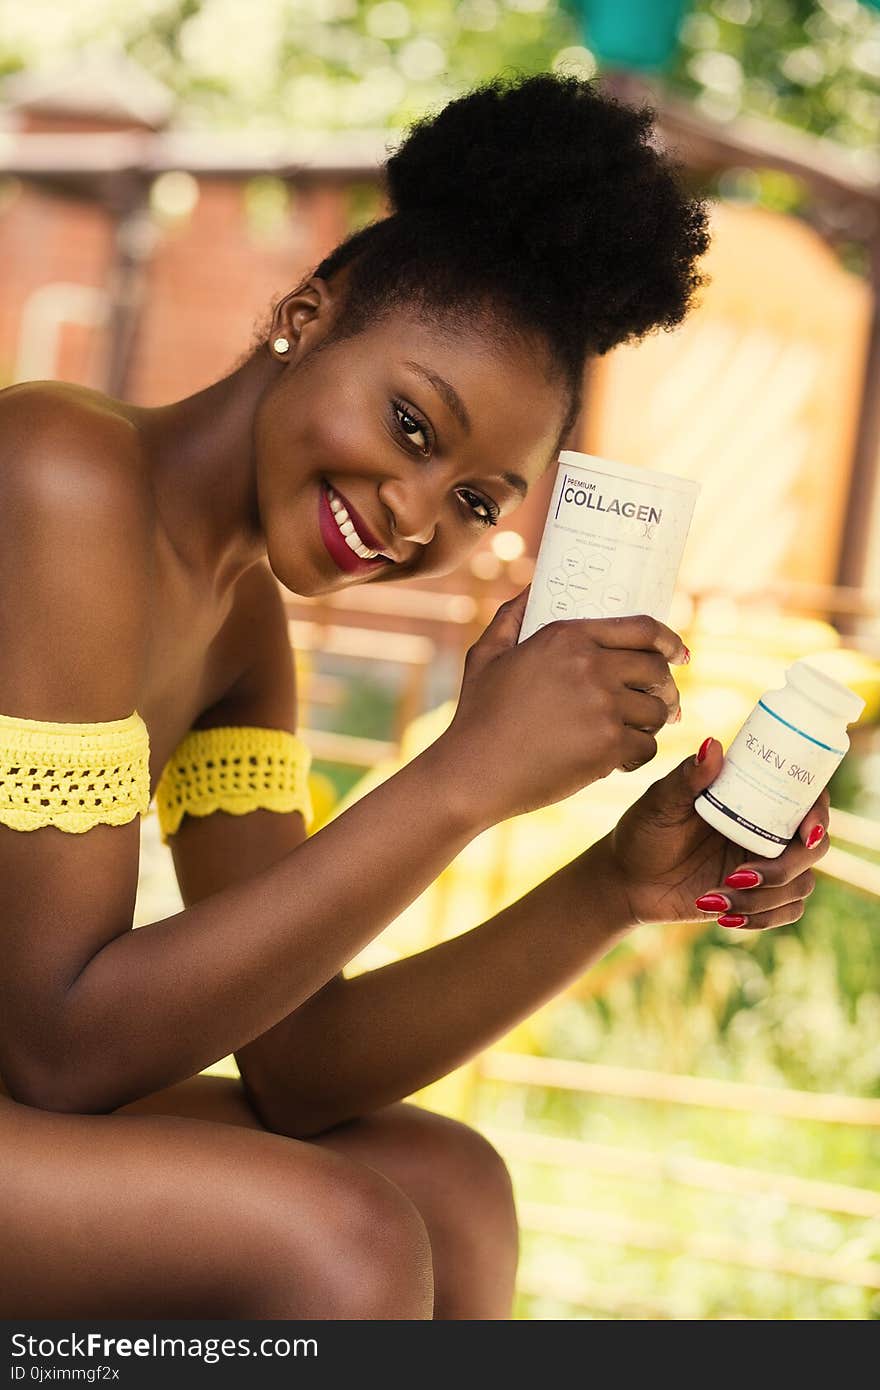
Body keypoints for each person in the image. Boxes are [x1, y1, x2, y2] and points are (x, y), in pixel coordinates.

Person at [0, 72, 827, 1320]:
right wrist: (462, 776)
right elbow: (57, 1050)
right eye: (410, 423)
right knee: (345, 1243)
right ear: (303, 311)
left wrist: (612, 887)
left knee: (448, 1182)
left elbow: (297, 1064)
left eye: (478, 502)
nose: (410, 515)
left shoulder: (240, 629)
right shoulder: (61, 473)